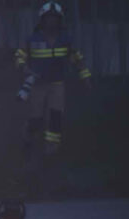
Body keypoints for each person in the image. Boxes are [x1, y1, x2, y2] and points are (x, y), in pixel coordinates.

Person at [14, 2, 91, 160]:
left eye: (55, 18)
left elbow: (77, 58)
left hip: (57, 84)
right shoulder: (33, 39)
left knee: (56, 115)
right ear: (42, 19)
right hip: (37, 84)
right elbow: (20, 55)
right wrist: (23, 67)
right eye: (48, 18)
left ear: (60, 20)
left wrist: (85, 77)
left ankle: (52, 149)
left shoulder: (65, 40)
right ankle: (27, 136)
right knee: (36, 118)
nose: (52, 21)